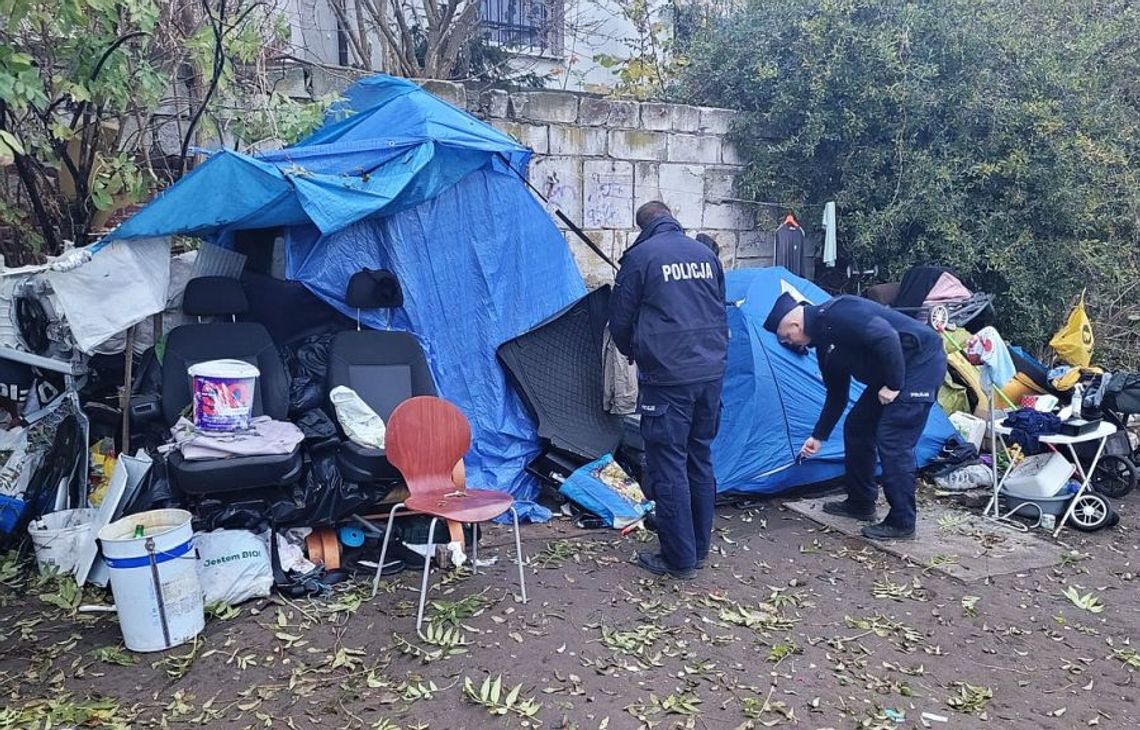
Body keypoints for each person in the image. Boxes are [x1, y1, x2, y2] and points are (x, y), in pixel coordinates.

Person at [764, 291, 947, 540]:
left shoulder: (840, 312)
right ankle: (861, 502)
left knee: (893, 438)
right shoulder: (824, 346)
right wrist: (818, 436)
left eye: (786, 337)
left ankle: (902, 522)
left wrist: (894, 385)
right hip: (890, 375)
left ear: (795, 324)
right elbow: (837, 395)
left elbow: (887, 336)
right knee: (857, 426)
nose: (789, 343)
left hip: (919, 364)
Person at [610, 201, 728, 579]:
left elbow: (620, 320)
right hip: (710, 374)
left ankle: (678, 558)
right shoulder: (704, 255)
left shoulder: (641, 257)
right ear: (672, 218)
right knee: (699, 457)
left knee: (668, 464)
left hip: (667, 378)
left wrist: (634, 353)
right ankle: (697, 547)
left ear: (642, 225)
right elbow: (718, 308)